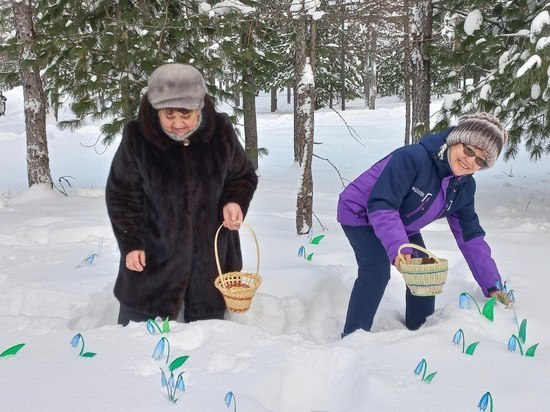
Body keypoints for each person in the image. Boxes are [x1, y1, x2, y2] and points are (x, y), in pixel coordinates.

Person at [106, 63, 258, 326]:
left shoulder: (220, 132)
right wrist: (131, 244)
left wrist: (234, 201)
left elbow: (242, 175)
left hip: (210, 261)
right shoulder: (137, 139)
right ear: (156, 110)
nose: (177, 124)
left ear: (199, 107)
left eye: (185, 115)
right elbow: (121, 195)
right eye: (169, 115)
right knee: (138, 343)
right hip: (153, 261)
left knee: (208, 340)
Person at [337, 112, 512, 336]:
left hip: (399, 221)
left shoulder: (463, 188)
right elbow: (382, 204)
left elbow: (471, 238)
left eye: (480, 160)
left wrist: (493, 285)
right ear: (455, 140)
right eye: (468, 150)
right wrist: (399, 248)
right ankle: (353, 336)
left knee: (425, 271)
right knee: (377, 271)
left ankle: (420, 332)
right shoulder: (412, 158)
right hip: (360, 213)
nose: (470, 161)